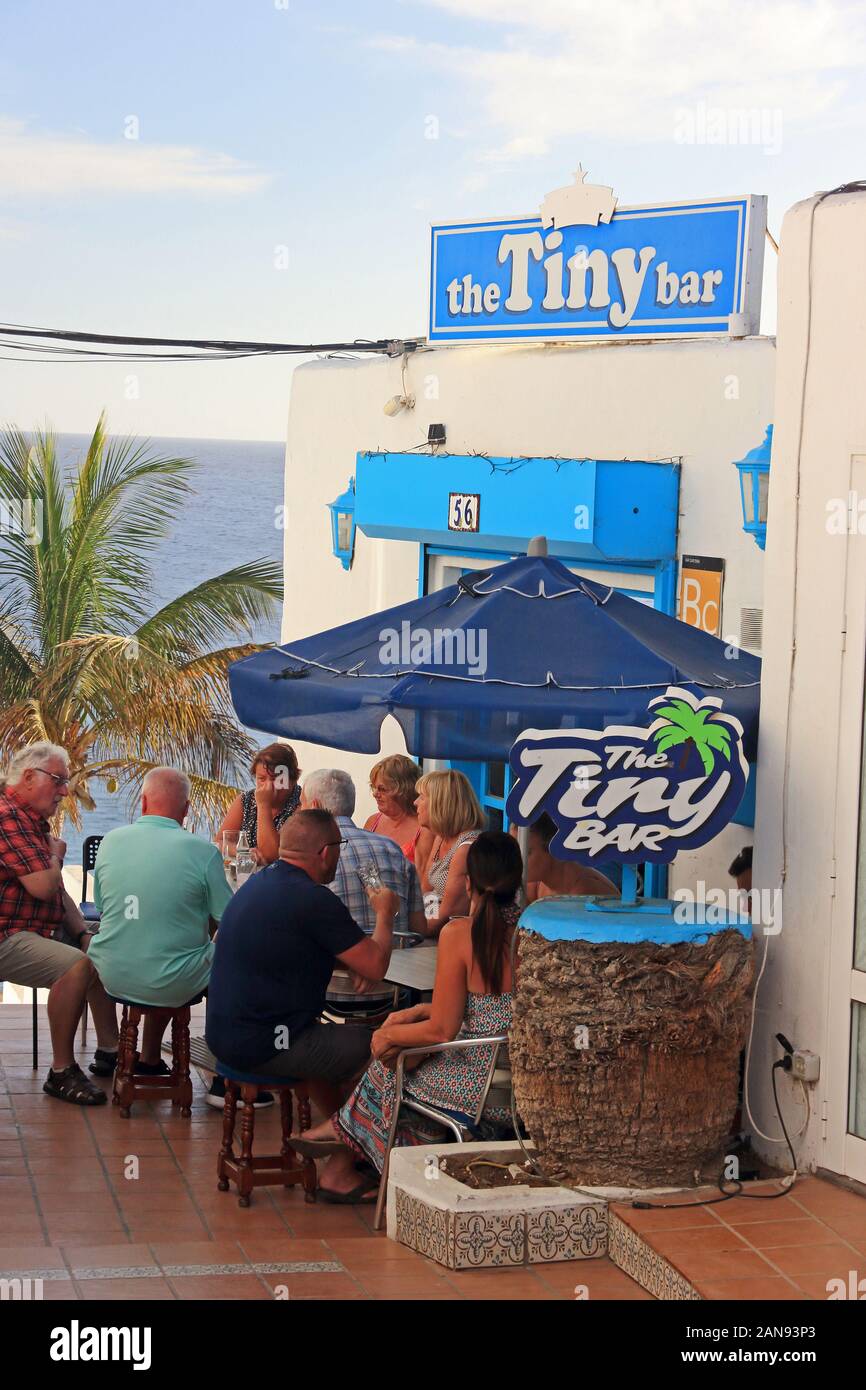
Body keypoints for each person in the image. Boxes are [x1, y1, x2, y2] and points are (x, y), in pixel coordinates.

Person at [292, 831, 521, 1202]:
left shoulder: (460, 934)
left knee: (392, 1061)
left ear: (467, 882)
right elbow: (489, 1012)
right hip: (515, 1085)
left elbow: (443, 1028)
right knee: (400, 1043)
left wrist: (388, 1037)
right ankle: (348, 1155)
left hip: (476, 1088)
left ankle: (348, 1138)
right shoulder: (531, 932)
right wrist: (412, 1014)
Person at [205, 810, 400, 1129]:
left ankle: (341, 1139)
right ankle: (348, 1147)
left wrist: (348, 961)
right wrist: (385, 913)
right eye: (339, 846)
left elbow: (290, 946)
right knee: (382, 1048)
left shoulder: (260, 881)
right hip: (266, 1044)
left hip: (224, 1035)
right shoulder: (313, 899)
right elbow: (377, 966)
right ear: (326, 852)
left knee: (321, 1047)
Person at [88, 768, 232, 1076]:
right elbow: (230, 920)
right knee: (230, 954)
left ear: (142, 803)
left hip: (113, 973)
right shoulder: (203, 852)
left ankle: (144, 1056)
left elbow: (102, 907)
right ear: (186, 810)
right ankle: (227, 1076)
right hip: (172, 980)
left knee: (166, 946)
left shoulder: (111, 842)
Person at [0, 742, 119, 1106]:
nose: (65, 791)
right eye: (58, 781)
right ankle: (61, 1071)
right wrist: (55, 854)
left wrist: (84, 933)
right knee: (75, 966)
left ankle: (111, 1051)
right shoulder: (6, 816)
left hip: (35, 929)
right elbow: (42, 885)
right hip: (8, 935)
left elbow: (60, 894)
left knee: (102, 947)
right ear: (29, 777)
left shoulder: (32, 821)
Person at [302, 769, 426, 941]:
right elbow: (419, 927)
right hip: (398, 959)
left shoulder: (309, 852)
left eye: (302, 805)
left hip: (338, 962)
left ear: (314, 807)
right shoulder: (393, 848)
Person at [416, 769, 486, 937]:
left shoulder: (467, 847)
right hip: (432, 930)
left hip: (451, 936)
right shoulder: (441, 836)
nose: (415, 802)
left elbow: (450, 912)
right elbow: (427, 891)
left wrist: (415, 930)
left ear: (441, 803)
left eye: (422, 797)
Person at [217, 742, 301, 867]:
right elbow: (220, 841)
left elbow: (271, 856)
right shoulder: (246, 800)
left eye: (276, 779)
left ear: (292, 779)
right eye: (261, 779)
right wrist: (244, 853)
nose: (268, 786)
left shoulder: (301, 805)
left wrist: (263, 806)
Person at [524, 813, 618, 900]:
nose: (517, 860)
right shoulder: (536, 880)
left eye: (526, 853)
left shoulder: (582, 891)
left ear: (552, 848)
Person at [363, 755, 429, 863]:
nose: (375, 794)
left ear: (403, 790)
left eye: (382, 789)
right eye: (374, 787)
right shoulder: (372, 822)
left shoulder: (424, 828)